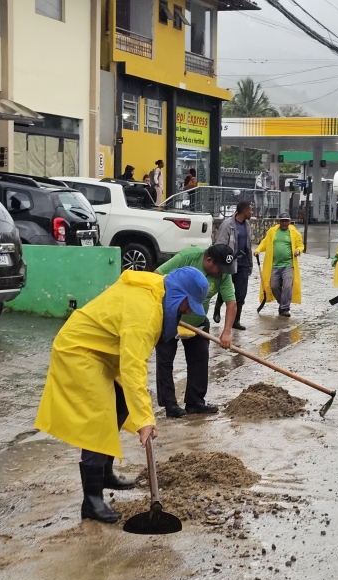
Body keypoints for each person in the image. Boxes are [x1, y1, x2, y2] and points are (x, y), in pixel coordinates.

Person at [34, 266, 209, 523]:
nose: (188, 311)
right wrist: (146, 420)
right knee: (99, 420)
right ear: (177, 295)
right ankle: (91, 501)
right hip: (79, 351)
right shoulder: (145, 314)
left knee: (121, 405)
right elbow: (133, 368)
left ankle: (105, 472)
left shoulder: (159, 288)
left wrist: (140, 414)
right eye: (187, 305)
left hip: (102, 351)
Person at [154, 245, 237, 418]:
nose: (222, 273)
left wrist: (227, 331)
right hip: (170, 317)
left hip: (197, 320)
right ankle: (170, 405)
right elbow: (156, 275)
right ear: (208, 260)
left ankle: (195, 402)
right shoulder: (187, 257)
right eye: (219, 268)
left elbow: (231, 303)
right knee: (165, 361)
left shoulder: (223, 273)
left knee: (200, 358)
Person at [254, 212, 304, 317]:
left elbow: (300, 245)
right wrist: (258, 250)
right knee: (274, 286)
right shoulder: (272, 232)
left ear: (289, 221)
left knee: (287, 286)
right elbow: (264, 242)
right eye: (282, 221)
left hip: (288, 264)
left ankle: (284, 308)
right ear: (279, 222)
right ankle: (282, 304)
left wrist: (298, 251)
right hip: (275, 265)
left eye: (286, 221)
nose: (284, 223)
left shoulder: (295, 233)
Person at [214, 200, 253, 330]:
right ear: (243, 211)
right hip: (229, 262)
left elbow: (249, 246)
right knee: (225, 289)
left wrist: (250, 264)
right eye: (250, 210)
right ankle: (217, 308)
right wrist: (222, 262)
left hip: (242, 263)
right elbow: (220, 244)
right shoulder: (228, 224)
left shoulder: (247, 225)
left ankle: (236, 321)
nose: (251, 212)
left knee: (241, 293)